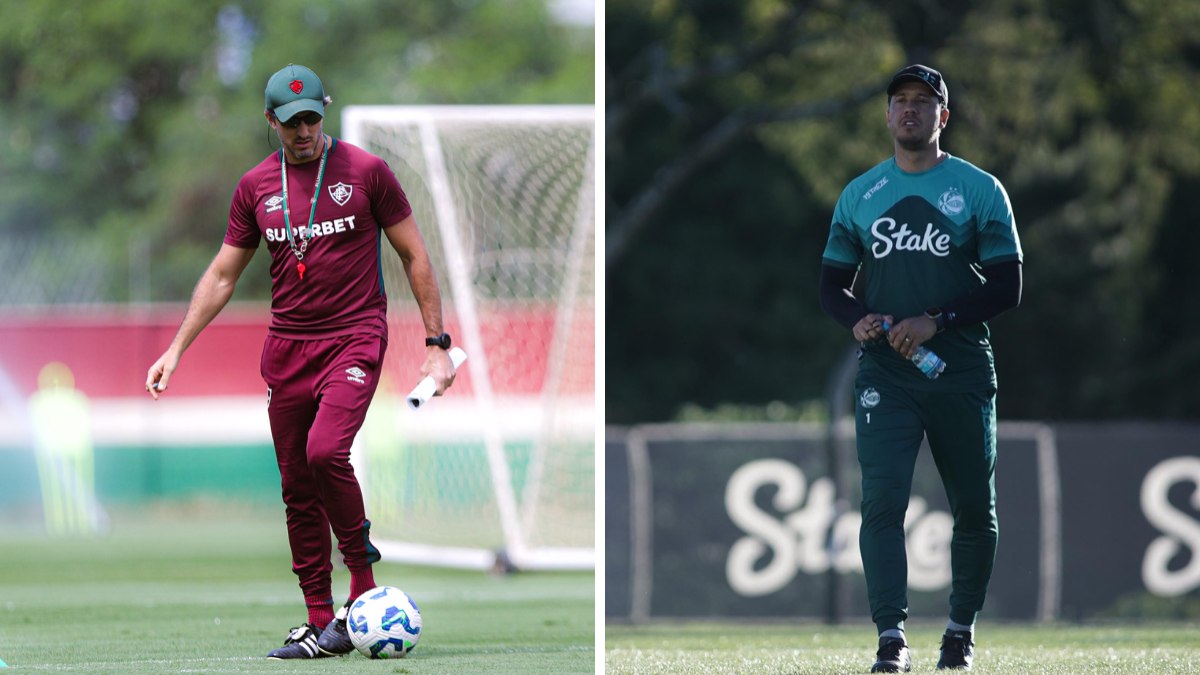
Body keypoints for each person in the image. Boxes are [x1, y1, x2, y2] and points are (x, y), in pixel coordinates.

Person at [144, 63, 456, 659]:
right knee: (295, 483)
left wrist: (437, 348)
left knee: (324, 452)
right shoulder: (254, 185)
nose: (304, 130)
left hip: (355, 336)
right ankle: (319, 620)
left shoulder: (367, 172)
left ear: (325, 110)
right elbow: (221, 275)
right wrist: (176, 348)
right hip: (287, 348)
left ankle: (360, 596)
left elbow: (415, 256)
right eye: (291, 122)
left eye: (312, 117)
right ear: (271, 122)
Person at [818, 64, 1022, 672]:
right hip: (888, 373)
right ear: (887, 116)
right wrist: (856, 318)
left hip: (957, 368)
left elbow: (1008, 286)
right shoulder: (861, 194)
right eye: (900, 101)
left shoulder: (979, 189)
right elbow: (832, 284)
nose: (910, 110)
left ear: (943, 116)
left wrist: (938, 318)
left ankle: (959, 633)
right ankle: (891, 640)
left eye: (923, 102)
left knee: (973, 508)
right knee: (882, 503)